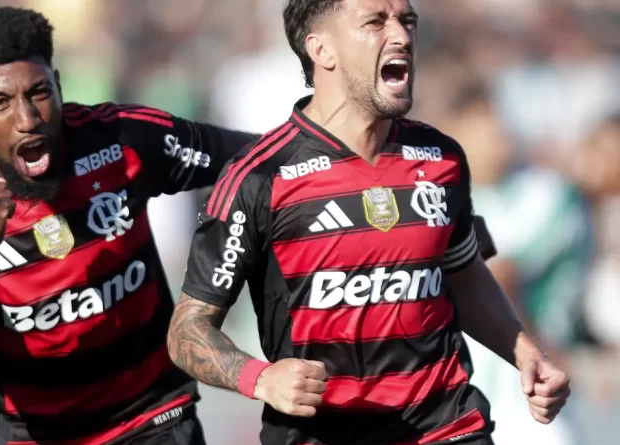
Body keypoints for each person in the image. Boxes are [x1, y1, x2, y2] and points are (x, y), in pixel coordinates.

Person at [166, 1, 570, 444]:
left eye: (407, 21)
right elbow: (188, 331)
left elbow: (462, 271)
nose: (401, 36)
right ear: (321, 50)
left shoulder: (442, 158)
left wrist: (525, 352)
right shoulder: (259, 177)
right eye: (375, 22)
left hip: (447, 426)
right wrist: (260, 378)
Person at [0, 7, 257, 445]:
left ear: (59, 84)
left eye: (39, 93)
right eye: (0, 103)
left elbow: (263, 162)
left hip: (150, 419)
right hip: (28, 436)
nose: (27, 119)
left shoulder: (120, 137)